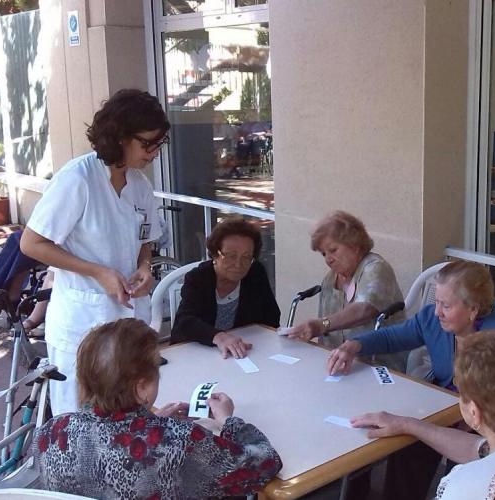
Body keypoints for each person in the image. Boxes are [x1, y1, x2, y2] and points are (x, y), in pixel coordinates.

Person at [20, 89, 168, 415]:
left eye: (159, 143)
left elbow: (146, 237)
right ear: (119, 138)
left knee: (128, 415)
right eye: (148, 144)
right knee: (77, 422)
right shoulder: (78, 179)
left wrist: (145, 266)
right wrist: (97, 271)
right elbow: (31, 243)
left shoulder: (139, 184)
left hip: (127, 325)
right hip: (82, 321)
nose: (154, 152)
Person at [325, 260, 495, 500]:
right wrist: (355, 344)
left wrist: (471, 419)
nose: (437, 311)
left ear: (473, 309)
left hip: (489, 419)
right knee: (407, 444)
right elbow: (394, 337)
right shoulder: (431, 319)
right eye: (436, 302)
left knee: (461, 471)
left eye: (445, 305)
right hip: (445, 405)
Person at [31, 318, 282, 498]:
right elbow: (266, 462)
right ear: (142, 388)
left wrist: (153, 422)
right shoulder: (178, 440)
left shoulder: (51, 432)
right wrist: (228, 420)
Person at [351, 329, 495, 500]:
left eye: (459, 391)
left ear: (474, 412)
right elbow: (479, 449)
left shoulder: (469, 487)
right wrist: (408, 425)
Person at [286, 210, 406, 370]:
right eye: (323, 253)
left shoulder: (375, 268)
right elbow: (325, 336)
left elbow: (365, 309)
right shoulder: (331, 278)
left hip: (377, 366)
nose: (328, 259)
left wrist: (321, 324)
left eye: (333, 250)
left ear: (354, 246)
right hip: (338, 365)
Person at [171, 217, 279, 358]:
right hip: (196, 353)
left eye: (246, 257)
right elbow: (185, 322)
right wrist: (220, 337)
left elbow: (272, 316)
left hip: (241, 352)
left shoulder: (255, 273)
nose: (238, 264)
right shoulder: (198, 278)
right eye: (231, 256)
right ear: (215, 254)